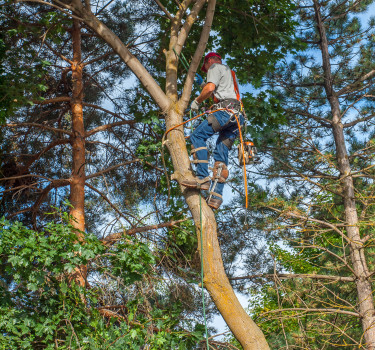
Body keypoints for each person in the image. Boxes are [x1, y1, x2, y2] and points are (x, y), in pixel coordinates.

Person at [182, 52, 244, 209]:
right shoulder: (230, 73)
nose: (207, 70)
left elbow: (211, 88)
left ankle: (202, 178)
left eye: (206, 67)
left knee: (197, 136)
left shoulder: (215, 66)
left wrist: (197, 101)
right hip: (237, 118)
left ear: (209, 61)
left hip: (225, 112)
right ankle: (216, 197)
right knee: (221, 155)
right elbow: (219, 93)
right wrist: (203, 85)